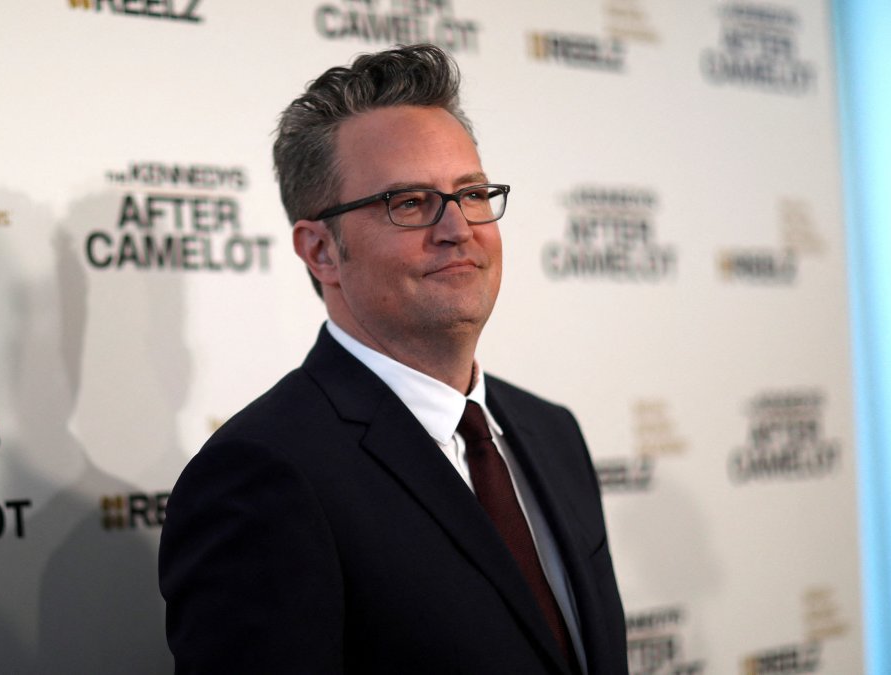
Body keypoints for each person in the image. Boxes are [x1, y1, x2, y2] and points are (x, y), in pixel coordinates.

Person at [159, 44, 627, 674]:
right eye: (408, 203)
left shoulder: (551, 431)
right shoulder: (262, 477)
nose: (457, 227)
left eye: (472, 193)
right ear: (321, 250)